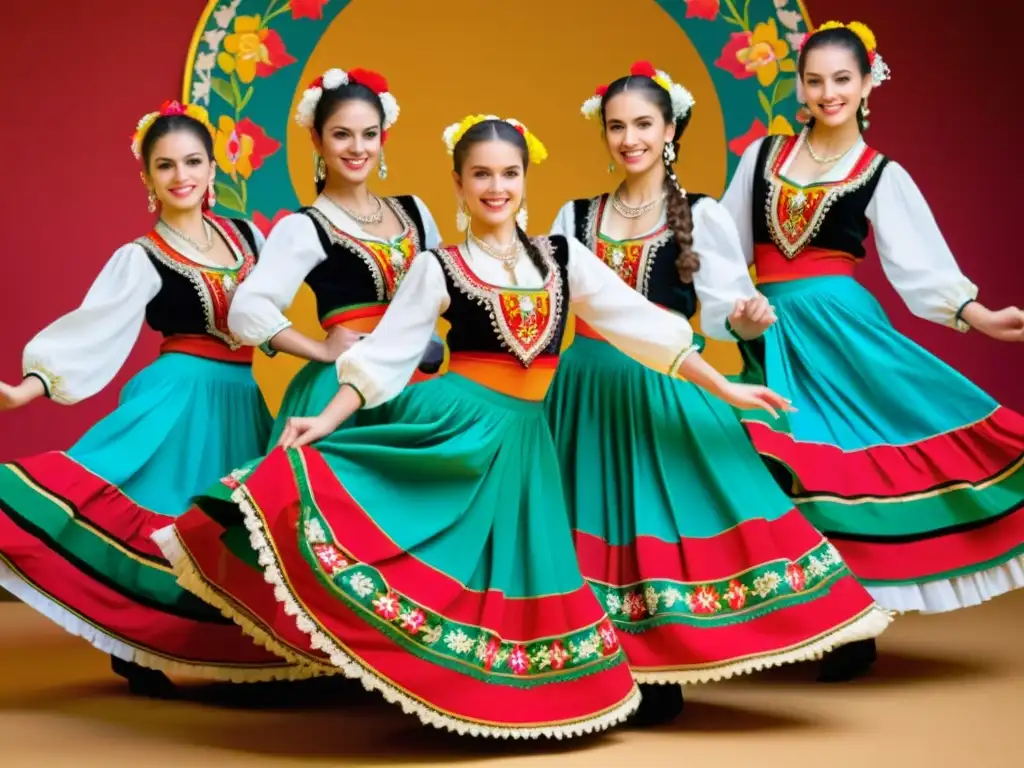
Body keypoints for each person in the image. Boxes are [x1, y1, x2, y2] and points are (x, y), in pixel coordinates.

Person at [153, 114, 793, 737]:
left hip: (527, 439)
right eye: (481, 175)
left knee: (516, 577)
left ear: (525, 179)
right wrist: (326, 417)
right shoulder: (438, 266)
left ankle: (497, 694)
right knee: (445, 557)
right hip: (459, 428)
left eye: (509, 173)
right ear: (458, 185)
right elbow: (383, 358)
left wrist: (726, 385)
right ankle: (427, 683)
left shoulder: (563, 257)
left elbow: (646, 329)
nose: (496, 188)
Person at [545, 61, 892, 715]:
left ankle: (821, 632)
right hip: (587, 390)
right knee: (593, 524)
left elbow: (725, 306)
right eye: (617, 126)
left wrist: (746, 316)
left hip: (668, 386)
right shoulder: (575, 214)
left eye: (644, 124)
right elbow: (557, 302)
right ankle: (622, 669)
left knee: (700, 515)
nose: (629, 139)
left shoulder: (701, 215)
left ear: (670, 128)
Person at [721, 21, 1024, 679]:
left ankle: (851, 626)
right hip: (774, 332)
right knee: (771, 459)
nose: (827, 93)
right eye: (814, 80)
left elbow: (921, 268)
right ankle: (802, 617)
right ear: (798, 87)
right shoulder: (761, 158)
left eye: (841, 80)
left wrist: (979, 315)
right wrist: (732, 313)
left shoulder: (880, 173)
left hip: (848, 340)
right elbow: (723, 255)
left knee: (845, 470)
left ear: (865, 85)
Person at [0, 101, 302, 697]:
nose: (181, 176)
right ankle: (134, 646)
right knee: (150, 513)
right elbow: (94, 327)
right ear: (147, 178)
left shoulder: (249, 237)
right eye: (165, 166)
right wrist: (26, 389)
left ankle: (218, 649)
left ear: (214, 168)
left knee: (224, 529)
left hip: (241, 399)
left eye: (193, 162)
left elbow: (277, 307)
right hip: (176, 400)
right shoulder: (142, 256)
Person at [226, 67, 444, 448]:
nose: (357, 148)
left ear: (382, 138)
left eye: (369, 135)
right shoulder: (306, 227)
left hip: (417, 387)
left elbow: (450, 289)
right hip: (343, 390)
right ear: (316, 139)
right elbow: (246, 310)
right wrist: (320, 349)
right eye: (342, 134)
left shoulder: (415, 212)